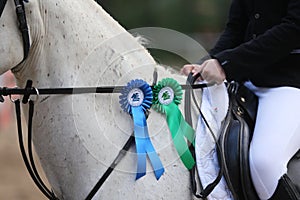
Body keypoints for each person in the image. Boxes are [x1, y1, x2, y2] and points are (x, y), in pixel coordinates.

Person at [181, 0, 300, 199]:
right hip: (246, 82)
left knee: (264, 162)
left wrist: (226, 64)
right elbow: (236, 28)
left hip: (290, 84)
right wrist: (207, 64)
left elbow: (294, 29)